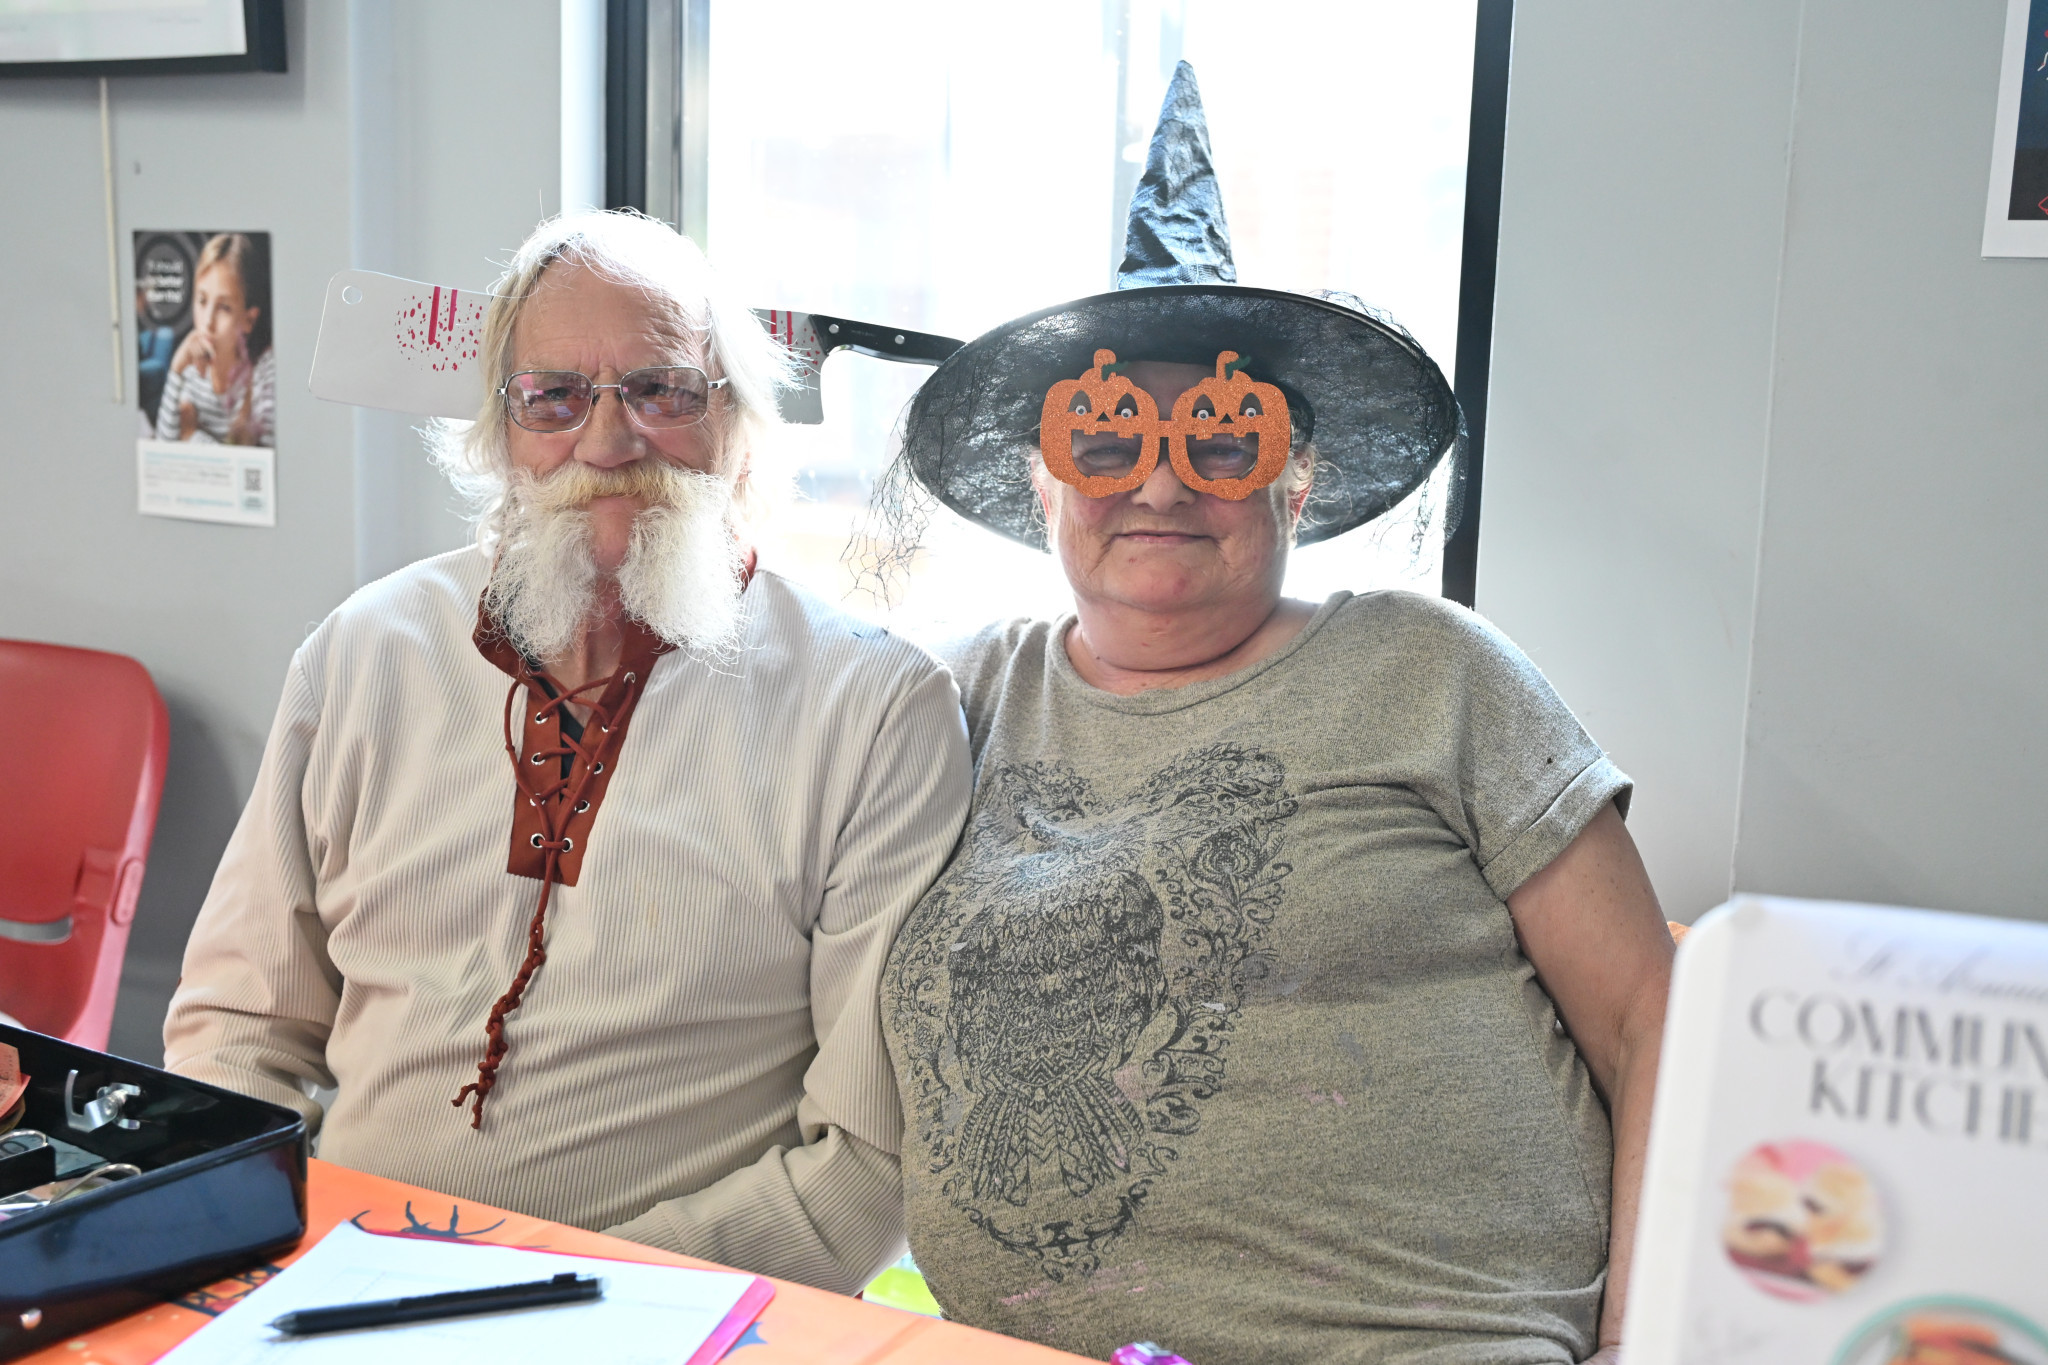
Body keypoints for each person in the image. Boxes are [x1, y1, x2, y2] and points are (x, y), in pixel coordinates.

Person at [876, 66, 1671, 1363]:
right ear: (1043, 484)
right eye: (1106, 440)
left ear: (1294, 484)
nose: (1161, 487)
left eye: (1221, 439)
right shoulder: (950, 700)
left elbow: (1649, 1024)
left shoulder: (1429, 668)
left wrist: (1651, 1338)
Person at [164, 211, 972, 1294]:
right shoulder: (365, 651)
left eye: (661, 391)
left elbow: (867, 1165)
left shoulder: (874, 708)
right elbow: (239, 1023)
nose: (606, 443)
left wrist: (553, 1298)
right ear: (500, 433)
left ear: (737, 422)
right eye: (552, 397)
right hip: (333, 1281)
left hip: (667, 1318)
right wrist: (260, 1240)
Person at [153, 232, 276, 448]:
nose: (207, 322)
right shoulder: (191, 371)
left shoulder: (265, 372)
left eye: (224, 307)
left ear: (248, 320)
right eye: (202, 301)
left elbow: (263, 461)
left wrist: (192, 436)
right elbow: (164, 449)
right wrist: (176, 369)